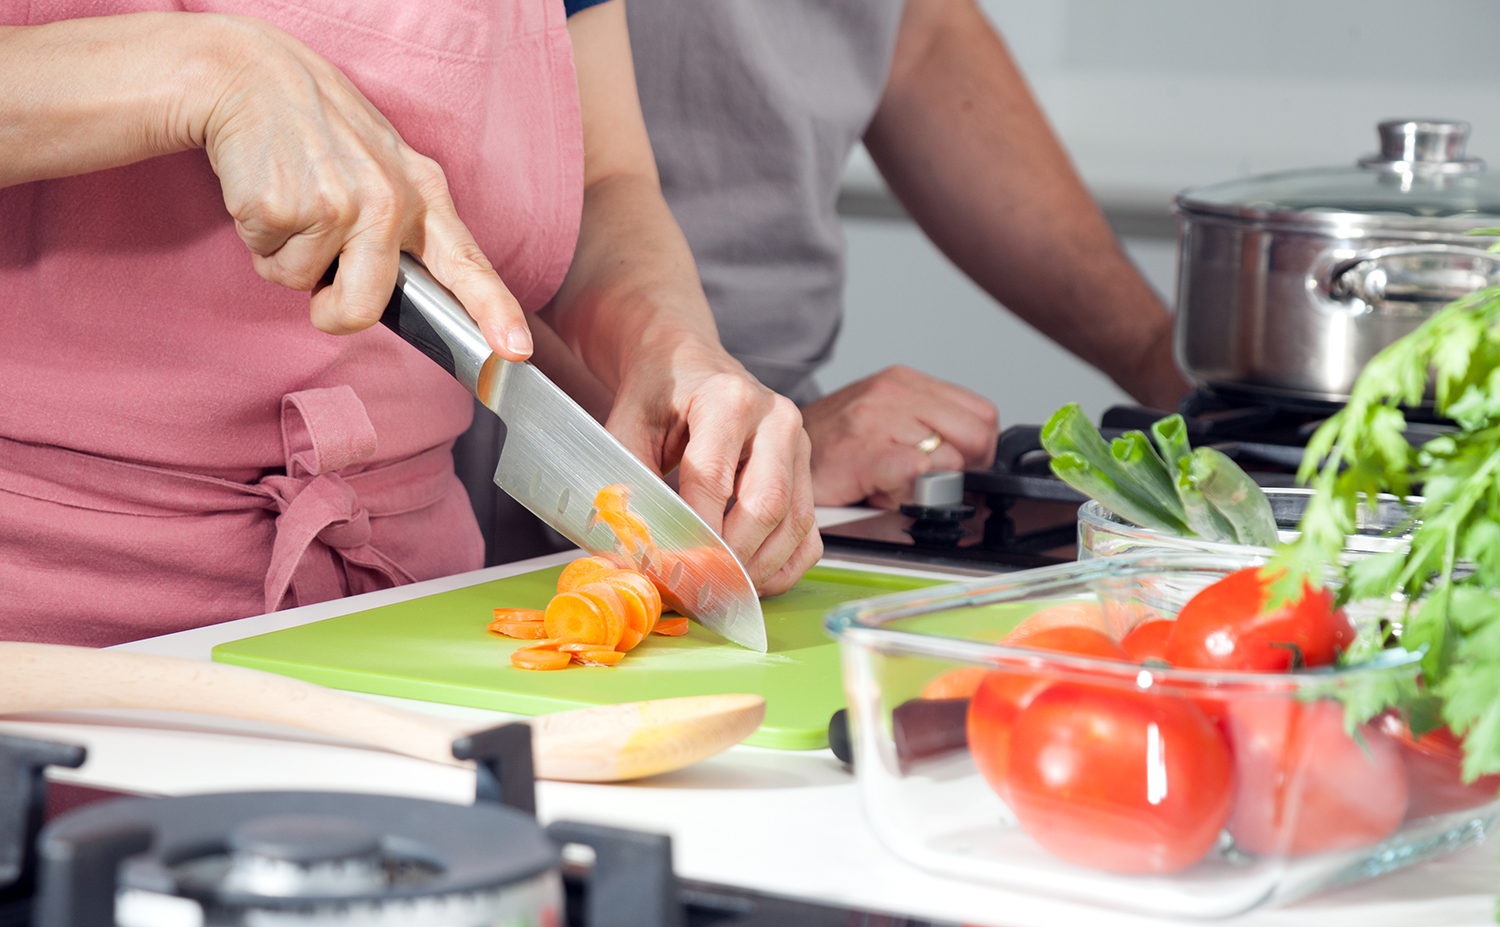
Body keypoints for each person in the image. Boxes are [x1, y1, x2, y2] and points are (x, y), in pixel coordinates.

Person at [0, 0, 819, 648]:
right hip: (48, 631)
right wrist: (208, 69)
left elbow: (600, 178)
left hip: (408, 606)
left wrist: (671, 348)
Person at [624, 0, 1192, 509]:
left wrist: (1157, 357)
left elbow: (917, 32)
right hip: (592, 456)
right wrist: (703, 449)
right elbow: (580, 196)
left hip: (763, 443)